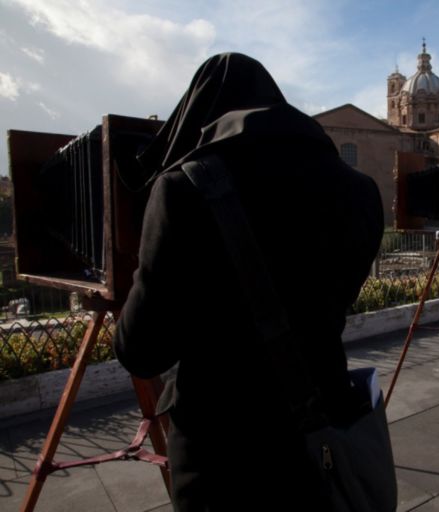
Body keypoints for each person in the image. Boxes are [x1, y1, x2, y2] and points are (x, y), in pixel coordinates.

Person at [113, 53, 384, 511]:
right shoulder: (362, 191)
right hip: (323, 428)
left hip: (222, 451)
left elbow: (142, 351)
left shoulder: (181, 189)